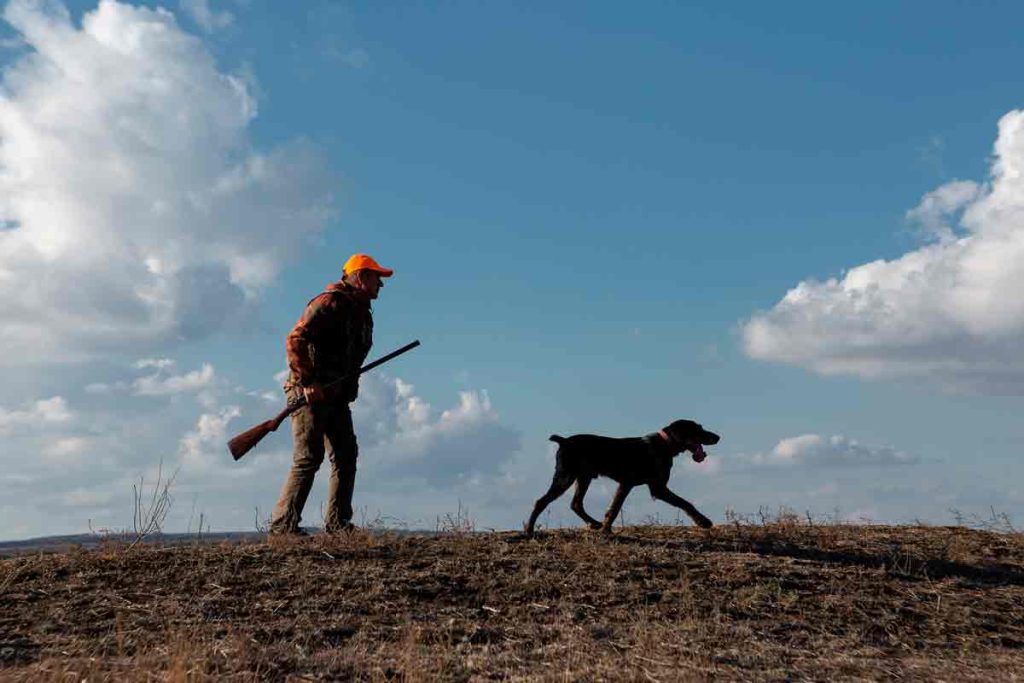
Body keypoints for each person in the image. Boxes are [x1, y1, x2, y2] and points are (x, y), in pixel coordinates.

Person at [269, 253, 393, 535]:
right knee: (308, 458)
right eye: (377, 278)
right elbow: (295, 339)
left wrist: (347, 387)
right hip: (310, 393)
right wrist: (308, 381)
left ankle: (338, 524)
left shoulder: (362, 315)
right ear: (361, 277)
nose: (381, 285)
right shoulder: (329, 303)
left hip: (335, 396)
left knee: (346, 455)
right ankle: (283, 527)